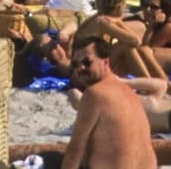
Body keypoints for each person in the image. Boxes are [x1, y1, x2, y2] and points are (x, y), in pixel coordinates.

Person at [63, 38, 155, 169]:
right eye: (75, 64)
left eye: (86, 62)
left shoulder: (94, 93)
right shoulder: (128, 92)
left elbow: (74, 152)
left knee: (46, 159)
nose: (81, 68)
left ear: (105, 61)